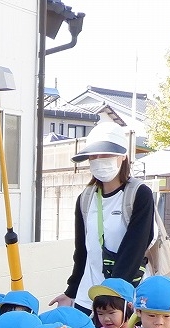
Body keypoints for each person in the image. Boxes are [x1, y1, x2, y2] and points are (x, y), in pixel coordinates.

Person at [51, 121, 156, 314]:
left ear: (123, 156)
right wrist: (71, 292)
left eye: (106, 154)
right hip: (88, 297)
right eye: (93, 156)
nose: (99, 160)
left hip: (124, 300)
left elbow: (134, 248)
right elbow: (83, 252)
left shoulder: (139, 194)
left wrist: (111, 296)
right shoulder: (85, 198)